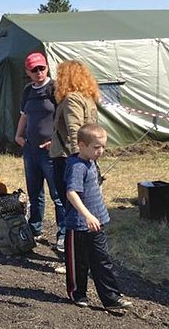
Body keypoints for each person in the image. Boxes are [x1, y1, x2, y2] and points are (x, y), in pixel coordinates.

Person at [64, 124, 132, 310]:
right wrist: (87, 215)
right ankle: (77, 293)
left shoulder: (92, 161)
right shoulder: (77, 166)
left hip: (97, 222)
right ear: (81, 145)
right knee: (79, 263)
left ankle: (112, 298)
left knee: (102, 260)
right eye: (96, 147)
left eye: (103, 147)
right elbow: (71, 193)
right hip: (78, 225)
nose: (100, 151)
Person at [14, 53, 64, 246]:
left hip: (51, 151)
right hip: (30, 150)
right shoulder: (28, 90)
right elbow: (24, 115)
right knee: (34, 193)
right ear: (28, 72)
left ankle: (63, 233)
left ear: (47, 68)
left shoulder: (55, 88)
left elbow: (64, 118)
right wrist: (18, 135)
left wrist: (56, 141)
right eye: (34, 69)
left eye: (41, 68)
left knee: (57, 194)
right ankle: (35, 229)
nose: (39, 72)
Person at [50, 60, 99, 252]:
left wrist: (77, 161)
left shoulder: (71, 99)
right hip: (84, 158)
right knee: (84, 208)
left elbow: (75, 130)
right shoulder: (88, 98)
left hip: (68, 159)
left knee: (73, 211)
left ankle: (74, 258)